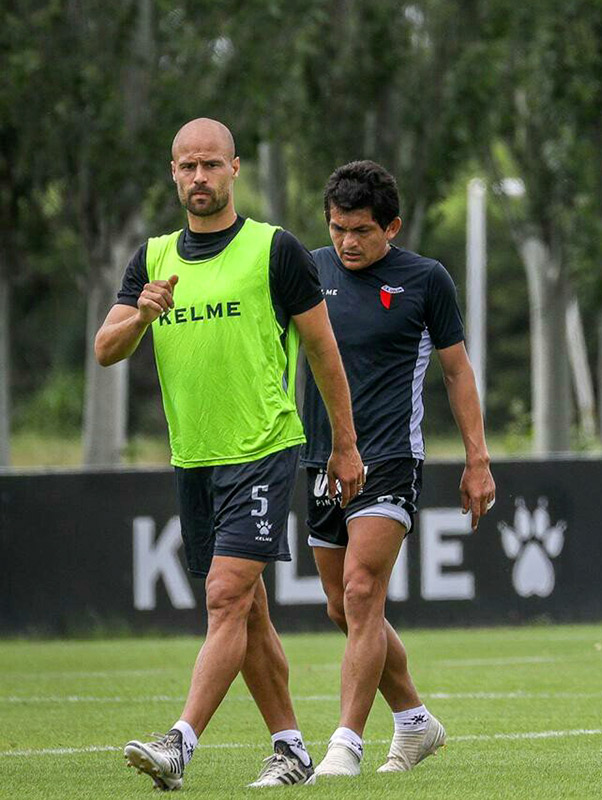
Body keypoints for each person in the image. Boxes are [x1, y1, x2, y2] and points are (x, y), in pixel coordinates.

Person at [94, 118, 365, 790]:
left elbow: (324, 352)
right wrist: (141, 313)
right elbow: (105, 349)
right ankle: (291, 747)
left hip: (264, 446)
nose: (198, 178)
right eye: (186, 167)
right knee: (248, 610)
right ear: (173, 173)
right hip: (195, 458)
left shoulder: (274, 250)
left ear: (235, 169)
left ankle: (180, 743)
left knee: (224, 597)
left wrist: (345, 446)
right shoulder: (153, 258)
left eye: (210, 165)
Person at [301, 161, 496, 781]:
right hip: (320, 459)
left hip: (390, 458)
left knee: (362, 591)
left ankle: (344, 746)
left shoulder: (425, 280)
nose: (347, 242)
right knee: (340, 606)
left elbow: (458, 371)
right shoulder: (306, 271)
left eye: (361, 230)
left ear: (393, 227)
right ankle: (414, 721)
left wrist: (477, 459)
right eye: (337, 229)